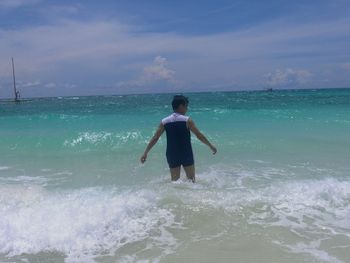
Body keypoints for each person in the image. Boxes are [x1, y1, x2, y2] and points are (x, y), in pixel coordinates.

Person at [140, 95, 217, 183]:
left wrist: (145, 153)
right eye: (186, 106)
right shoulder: (187, 120)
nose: (187, 109)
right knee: (191, 181)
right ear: (181, 106)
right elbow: (199, 135)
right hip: (186, 153)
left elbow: (155, 138)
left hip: (172, 154)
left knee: (175, 183)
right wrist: (210, 146)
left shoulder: (164, 121)